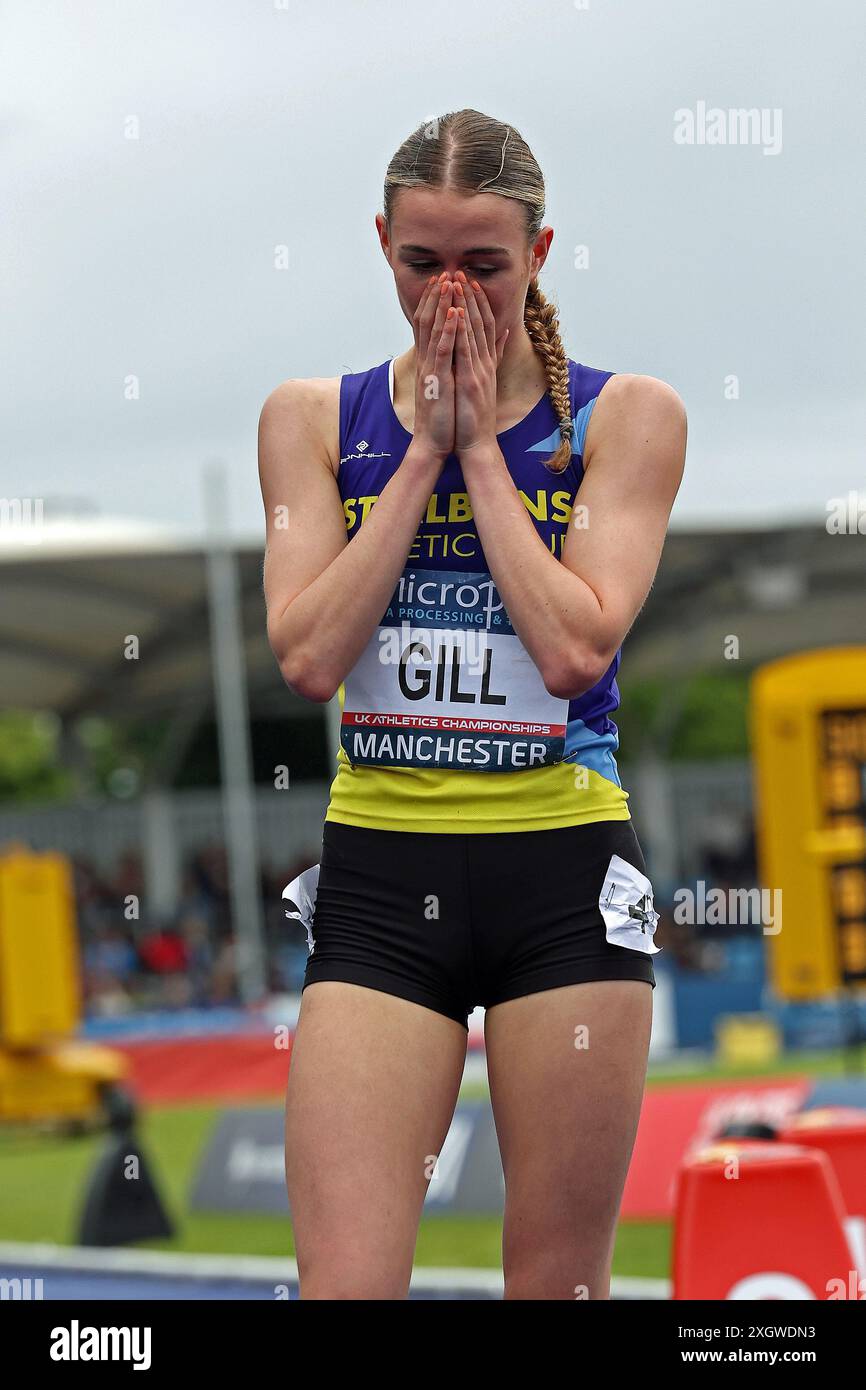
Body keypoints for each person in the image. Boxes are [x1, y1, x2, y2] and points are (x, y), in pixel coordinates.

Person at [259, 109, 687, 1300]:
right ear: (381, 246)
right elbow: (305, 657)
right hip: (383, 885)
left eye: (484, 265)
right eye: (421, 262)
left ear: (538, 254)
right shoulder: (309, 419)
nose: (451, 291)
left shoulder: (625, 418)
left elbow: (571, 646)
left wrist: (482, 457)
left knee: (556, 1287)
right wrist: (414, 460)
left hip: (563, 881)